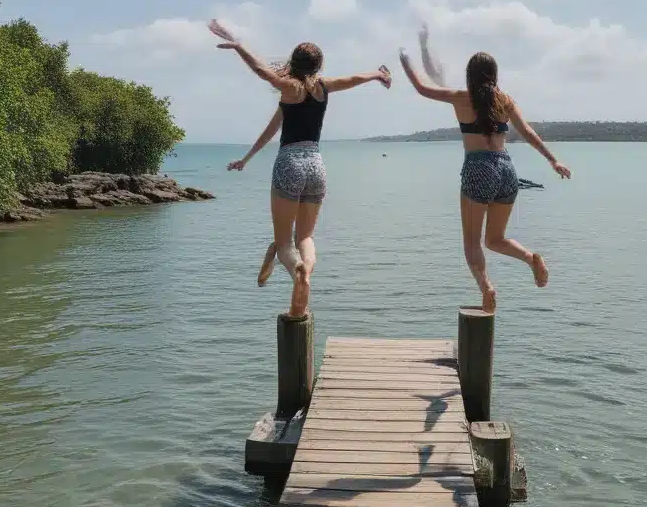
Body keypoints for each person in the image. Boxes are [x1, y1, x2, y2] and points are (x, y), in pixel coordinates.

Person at [210, 19, 391, 315]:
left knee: (284, 243)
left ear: (293, 62)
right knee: (305, 238)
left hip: (290, 163)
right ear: (318, 66)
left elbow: (261, 71)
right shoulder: (324, 87)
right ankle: (303, 284)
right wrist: (378, 74)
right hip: (316, 165)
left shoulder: (289, 88)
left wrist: (239, 46)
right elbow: (355, 78)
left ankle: (297, 271)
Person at [400, 28, 571, 313]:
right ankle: (530, 258)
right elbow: (526, 132)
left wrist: (405, 59)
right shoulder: (505, 101)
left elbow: (421, 87)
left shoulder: (460, 97)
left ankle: (486, 287)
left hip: (479, 167)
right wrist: (553, 160)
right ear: (494, 75)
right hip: (506, 169)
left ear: (470, 75)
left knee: (471, 243)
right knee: (494, 239)